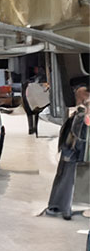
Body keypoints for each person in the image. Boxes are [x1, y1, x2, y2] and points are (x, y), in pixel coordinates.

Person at [45, 85, 89, 220]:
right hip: (70, 149)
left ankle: (63, 208)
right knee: (65, 178)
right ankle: (58, 206)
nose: (76, 98)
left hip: (73, 151)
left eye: (79, 96)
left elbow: (78, 134)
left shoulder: (82, 113)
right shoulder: (80, 112)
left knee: (68, 180)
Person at [22, 66, 49, 136]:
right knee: (32, 112)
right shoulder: (33, 80)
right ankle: (32, 128)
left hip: (32, 98)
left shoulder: (38, 78)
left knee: (33, 112)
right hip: (31, 98)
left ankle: (32, 129)